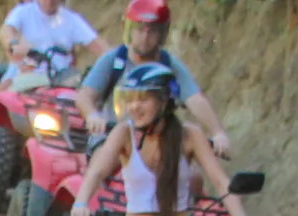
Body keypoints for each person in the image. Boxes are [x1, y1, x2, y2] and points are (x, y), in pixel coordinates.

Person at [70, 62, 251, 216]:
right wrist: (81, 202)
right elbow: (97, 171)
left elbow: (219, 180)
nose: (134, 107)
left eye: (143, 99)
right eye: (131, 99)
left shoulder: (190, 135)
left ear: (165, 101)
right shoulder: (124, 133)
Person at [75, 0, 233, 158]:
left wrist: (218, 132)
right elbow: (85, 96)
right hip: (109, 140)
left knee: (193, 178)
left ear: (162, 33)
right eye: (139, 29)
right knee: (102, 165)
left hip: (156, 144)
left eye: (152, 31)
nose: (145, 37)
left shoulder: (169, 65)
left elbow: (195, 99)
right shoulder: (114, 60)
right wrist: (93, 116)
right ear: (128, 29)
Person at [0, 0, 107, 84]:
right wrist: (12, 44)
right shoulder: (23, 11)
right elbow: (6, 30)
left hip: (61, 80)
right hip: (26, 73)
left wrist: (116, 60)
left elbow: (100, 47)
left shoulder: (72, 19)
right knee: (6, 92)